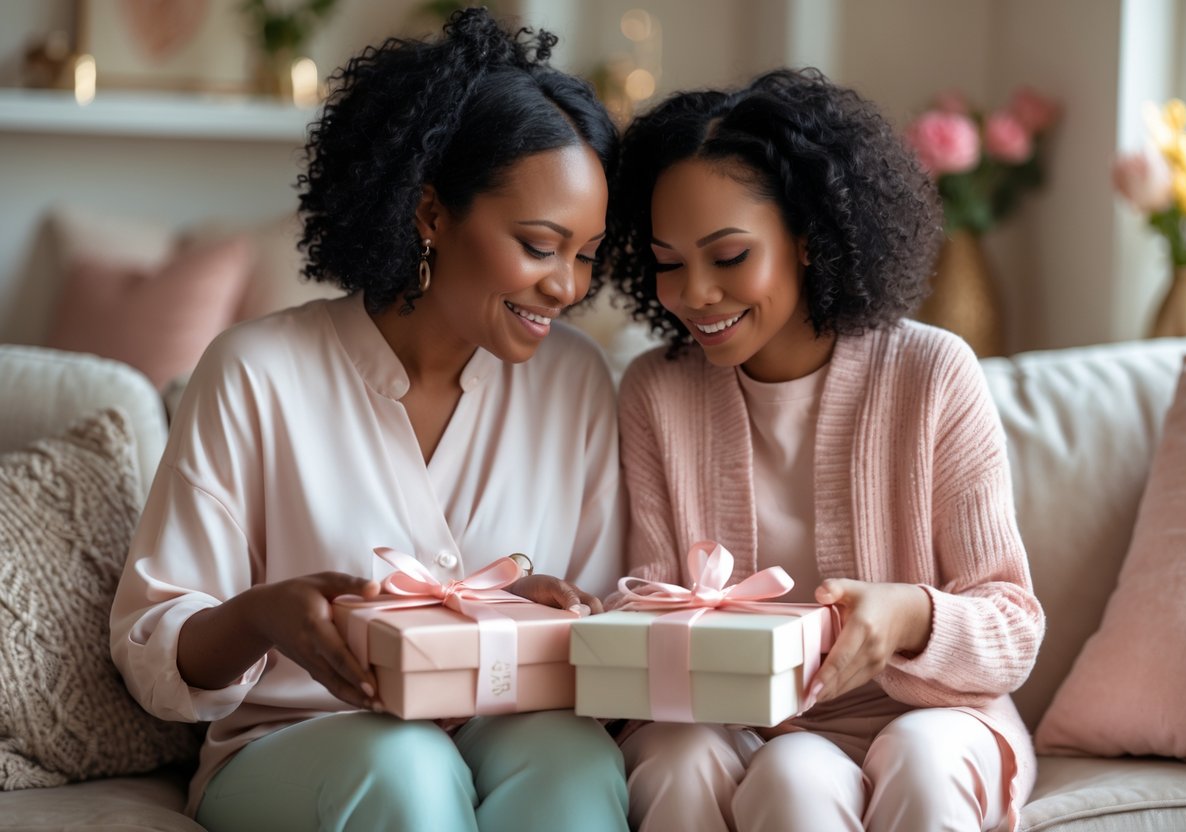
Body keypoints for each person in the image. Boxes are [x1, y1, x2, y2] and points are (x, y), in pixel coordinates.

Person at [110, 10, 628, 832]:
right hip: (295, 746)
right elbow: (153, 653)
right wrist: (262, 615)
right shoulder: (255, 372)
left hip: (504, 725)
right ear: (430, 213)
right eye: (539, 245)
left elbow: (602, 638)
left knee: (575, 758)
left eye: (586, 254)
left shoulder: (577, 379)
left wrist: (536, 615)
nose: (567, 286)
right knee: (407, 766)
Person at [601, 68, 1045, 832]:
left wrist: (908, 615)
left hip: (934, 718)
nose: (694, 293)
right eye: (668, 263)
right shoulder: (655, 391)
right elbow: (646, 607)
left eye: (728, 256)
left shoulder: (932, 372)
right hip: (744, 727)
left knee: (920, 759)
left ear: (808, 239)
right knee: (773, 773)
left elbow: (1011, 631)